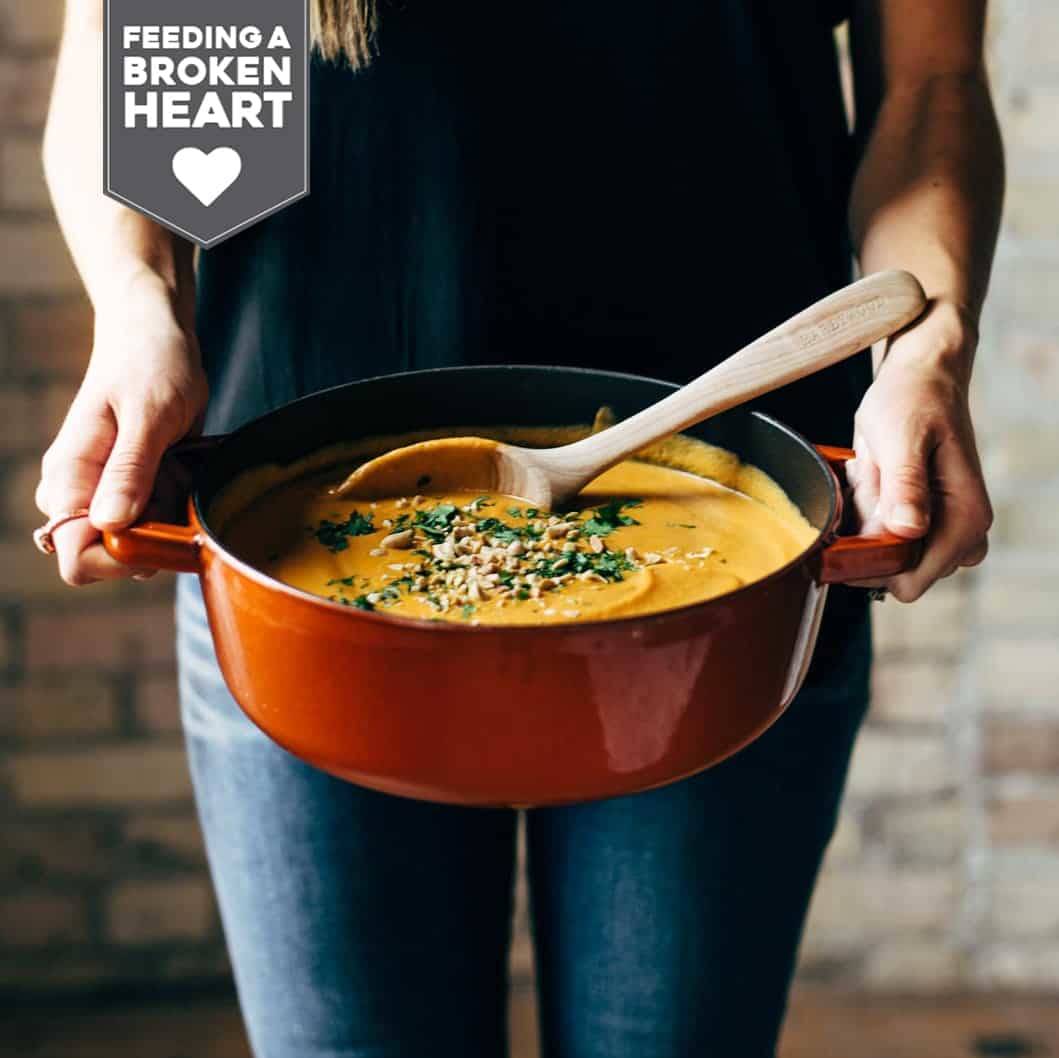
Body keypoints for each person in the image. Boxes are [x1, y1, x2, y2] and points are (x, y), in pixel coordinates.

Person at [37, 2, 1002, 1055]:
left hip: (742, 550)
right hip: (291, 544)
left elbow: (928, 85)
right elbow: (147, 43)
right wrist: (138, 308)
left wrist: (926, 352)